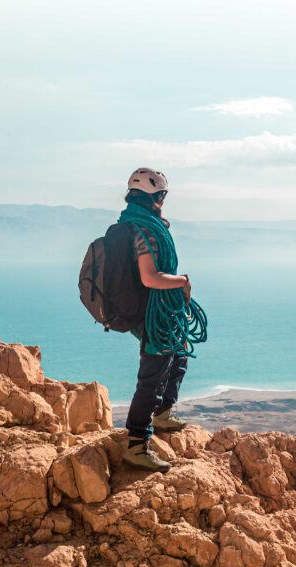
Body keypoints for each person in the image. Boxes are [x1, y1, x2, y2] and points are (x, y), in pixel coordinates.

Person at [120, 167, 193, 472]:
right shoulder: (144, 230)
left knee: (178, 352)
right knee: (151, 376)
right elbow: (150, 277)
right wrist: (183, 282)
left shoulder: (134, 223)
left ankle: (162, 413)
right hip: (150, 310)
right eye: (162, 195)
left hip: (153, 308)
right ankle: (137, 444)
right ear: (157, 197)